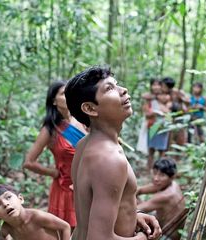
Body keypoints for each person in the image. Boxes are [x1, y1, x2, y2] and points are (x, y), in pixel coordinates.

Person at [65, 66, 162, 240]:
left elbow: (90, 213)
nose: (123, 90)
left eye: (117, 85)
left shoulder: (84, 145)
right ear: (90, 108)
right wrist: (141, 238)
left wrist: (134, 214)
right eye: (109, 88)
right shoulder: (109, 158)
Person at [23, 80, 87, 228]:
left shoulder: (84, 120)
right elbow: (29, 162)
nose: (69, 96)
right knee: (69, 231)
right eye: (64, 93)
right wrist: (53, 173)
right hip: (65, 188)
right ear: (54, 101)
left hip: (90, 184)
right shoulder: (51, 129)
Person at [0, 184, 71, 240]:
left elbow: (65, 227)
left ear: (20, 199)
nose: (5, 204)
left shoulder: (37, 217)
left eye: (8, 197)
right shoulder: (6, 229)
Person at [137, 158, 186, 240]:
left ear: (172, 177)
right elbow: (140, 190)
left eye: (162, 175)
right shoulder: (171, 184)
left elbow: (135, 210)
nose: (156, 178)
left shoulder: (167, 195)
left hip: (166, 236)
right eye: (155, 173)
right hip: (162, 226)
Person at [146, 91, 172, 171]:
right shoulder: (152, 103)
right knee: (151, 150)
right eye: (161, 94)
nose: (164, 97)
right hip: (153, 128)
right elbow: (147, 114)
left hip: (163, 130)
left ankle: (161, 170)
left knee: (162, 151)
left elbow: (170, 118)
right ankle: (149, 169)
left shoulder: (169, 105)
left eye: (166, 94)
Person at [161, 77, 189, 147]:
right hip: (169, 118)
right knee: (169, 139)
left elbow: (188, 101)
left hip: (179, 117)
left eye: (164, 86)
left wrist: (181, 99)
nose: (162, 88)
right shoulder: (163, 94)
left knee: (180, 138)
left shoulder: (177, 92)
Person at [137, 79, 162, 155]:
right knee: (151, 150)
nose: (156, 87)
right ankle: (149, 167)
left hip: (162, 126)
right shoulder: (148, 97)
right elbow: (146, 112)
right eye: (154, 85)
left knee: (162, 150)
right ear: (151, 86)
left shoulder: (164, 97)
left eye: (158, 85)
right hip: (151, 125)